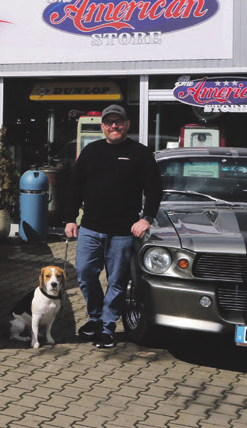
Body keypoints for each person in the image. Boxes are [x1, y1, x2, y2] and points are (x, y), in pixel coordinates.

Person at [62, 104, 163, 349]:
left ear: (127, 124)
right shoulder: (91, 151)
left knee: (117, 281)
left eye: (119, 122)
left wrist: (146, 218)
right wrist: (69, 218)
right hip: (90, 228)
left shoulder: (140, 153)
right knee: (85, 274)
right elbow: (75, 187)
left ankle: (107, 327)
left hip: (123, 231)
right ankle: (95, 318)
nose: (114, 126)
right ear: (103, 126)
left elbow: (154, 189)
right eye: (109, 122)